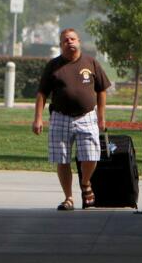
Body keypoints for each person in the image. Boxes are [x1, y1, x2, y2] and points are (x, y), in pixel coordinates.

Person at [32, 27, 111, 210]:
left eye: (73, 39)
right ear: (60, 45)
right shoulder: (53, 66)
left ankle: (85, 183)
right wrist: (38, 119)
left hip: (87, 117)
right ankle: (68, 198)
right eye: (66, 40)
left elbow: (101, 90)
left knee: (92, 156)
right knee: (62, 159)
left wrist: (101, 116)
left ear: (79, 42)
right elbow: (42, 93)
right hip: (60, 117)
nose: (70, 42)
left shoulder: (91, 63)